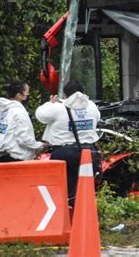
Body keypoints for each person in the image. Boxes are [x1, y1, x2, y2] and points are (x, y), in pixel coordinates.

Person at [35, 80, 101, 208]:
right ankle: (82, 211)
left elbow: (40, 115)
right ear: (83, 93)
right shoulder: (92, 106)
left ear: (64, 95)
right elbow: (97, 119)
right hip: (88, 152)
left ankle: (67, 212)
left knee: (64, 188)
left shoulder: (58, 107)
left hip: (64, 153)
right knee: (84, 187)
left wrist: (50, 103)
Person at [0, 81, 46, 162]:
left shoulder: (0, 112)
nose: (28, 95)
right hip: (17, 156)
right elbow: (23, 138)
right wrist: (40, 145)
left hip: (2, 155)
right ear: (19, 95)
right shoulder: (18, 112)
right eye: (27, 92)